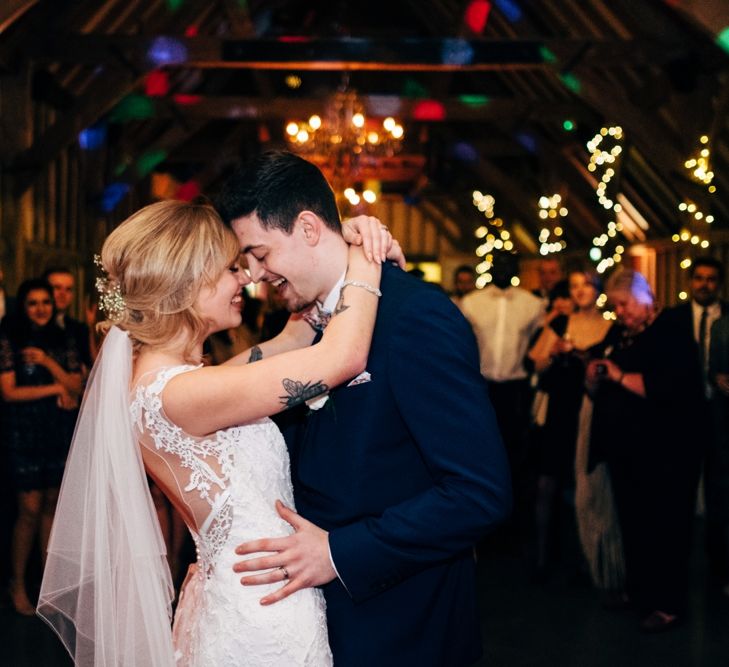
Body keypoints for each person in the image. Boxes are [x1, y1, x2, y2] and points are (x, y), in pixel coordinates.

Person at [38, 200, 402, 665]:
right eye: (229, 268)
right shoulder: (180, 394)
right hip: (261, 612)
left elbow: (292, 340)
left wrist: (332, 243)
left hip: (251, 593)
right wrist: (364, 260)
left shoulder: (175, 381)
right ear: (187, 284)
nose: (246, 278)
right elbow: (340, 359)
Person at [217, 151, 511, 667]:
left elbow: (478, 493)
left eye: (260, 254)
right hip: (326, 618)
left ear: (308, 227)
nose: (257, 275)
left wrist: (339, 553)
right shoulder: (311, 325)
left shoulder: (415, 318)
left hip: (404, 621)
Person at [585, 268, 703, 632]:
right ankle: (640, 593)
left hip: (667, 453)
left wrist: (618, 376)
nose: (619, 312)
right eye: (616, 305)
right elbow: (598, 372)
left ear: (643, 298)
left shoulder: (671, 333)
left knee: (664, 527)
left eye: (623, 304)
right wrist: (593, 374)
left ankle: (667, 603)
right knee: (633, 523)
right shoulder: (620, 333)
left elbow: (669, 388)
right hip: (627, 451)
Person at [0, 279, 82, 615]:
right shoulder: (10, 339)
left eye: (45, 302)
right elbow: (9, 392)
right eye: (33, 303)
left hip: (56, 431)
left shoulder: (63, 338)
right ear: (24, 306)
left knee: (51, 507)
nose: (41, 309)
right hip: (24, 432)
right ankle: (17, 582)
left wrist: (48, 363)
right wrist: (53, 389)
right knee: (29, 509)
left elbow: (76, 384)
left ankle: (46, 586)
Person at [528, 270, 611, 580]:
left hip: (590, 412)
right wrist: (553, 352)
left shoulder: (611, 327)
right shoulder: (561, 324)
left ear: (598, 289)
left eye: (586, 285)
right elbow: (535, 360)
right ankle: (543, 555)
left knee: (586, 488)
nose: (579, 291)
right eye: (574, 286)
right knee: (547, 484)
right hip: (560, 411)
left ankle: (587, 556)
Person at [663, 256, 728, 584]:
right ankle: (678, 564)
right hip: (684, 414)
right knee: (680, 490)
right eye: (699, 278)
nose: (704, 284)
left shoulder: (727, 317)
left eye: (711, 279)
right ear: (690, 282)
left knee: (720, 490)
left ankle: (719, 565)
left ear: (719, 283)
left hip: (721, 414)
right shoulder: (673, 318)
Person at [42, 267, 97, 370]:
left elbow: (95, 367)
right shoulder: (30, 325)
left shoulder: (78, 329)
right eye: (57, 288)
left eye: (68, 289)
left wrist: (90, 326)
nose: (63, 294)